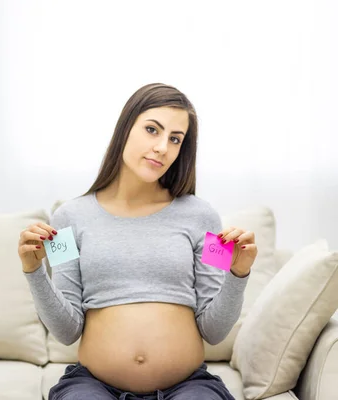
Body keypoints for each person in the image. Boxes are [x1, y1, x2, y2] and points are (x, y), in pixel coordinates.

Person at [17, 83, 258, 400]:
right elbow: (66, 331)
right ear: (125, 128)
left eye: (175, 139)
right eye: (151, 130)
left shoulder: (204, 217)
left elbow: (214, 332)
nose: (162, 147)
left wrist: (237, 273)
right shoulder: (66, 218)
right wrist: (34, 271)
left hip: (188, 386)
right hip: (92, 385)